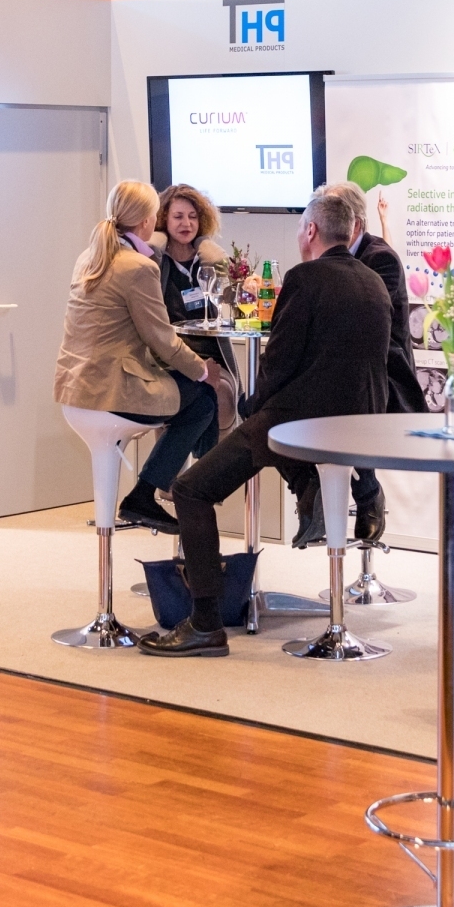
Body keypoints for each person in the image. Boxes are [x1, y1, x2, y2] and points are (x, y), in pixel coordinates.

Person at [140, 191, 391, 658]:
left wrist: (250, 405)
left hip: (300, 423)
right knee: (268, 437)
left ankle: (205, 624)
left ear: (311, 231)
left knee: (192, 490)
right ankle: (308, 488)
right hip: (359, 425)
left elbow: (279, 363)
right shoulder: (373, 281)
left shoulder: (305, 278)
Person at [53, 181, 225, 533]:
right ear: (149, 220)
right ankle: (158, 493)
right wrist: (203, 371)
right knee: (204, 400)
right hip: (112, 392)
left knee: (193, 393)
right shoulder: (138, 266)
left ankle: (176, 489)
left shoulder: (90, 256)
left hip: (74, 391)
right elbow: (161, 339)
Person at [291, 180, 426, 546]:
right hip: (338, 364)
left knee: (331, 390)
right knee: (275, 397)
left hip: (382, 371)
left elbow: (360, 325)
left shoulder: (381, 259)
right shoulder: (322, 255)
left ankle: (365, 493)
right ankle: (311, 489)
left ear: (355, 224)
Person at [149, 183, 237, 427]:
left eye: (192, 217)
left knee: (222, 396)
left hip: (212, 356)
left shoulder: (208, 259)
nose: (186, 224)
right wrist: (157, 242)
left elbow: (233, 304)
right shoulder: (154, 262)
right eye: (178, 217)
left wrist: (210, 252)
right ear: (164, 220)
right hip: (170, 358)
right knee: (177, 398)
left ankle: (216, 455)